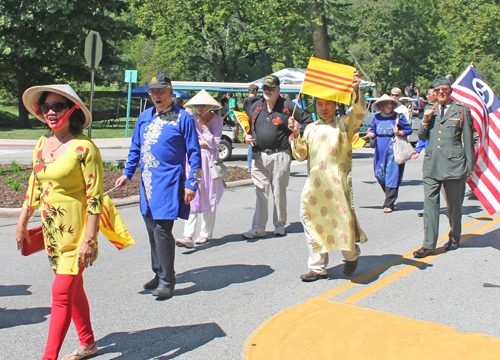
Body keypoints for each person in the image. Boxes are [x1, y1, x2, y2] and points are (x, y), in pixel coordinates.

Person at [15, 84, 102, 360]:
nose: (50, 112)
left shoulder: (84, 148)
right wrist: (22, 220)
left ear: (72, 109)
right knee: (73, 290)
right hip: (53, 234)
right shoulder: (42, 144)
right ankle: (87, 343)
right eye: (45, 107)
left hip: (77, 237)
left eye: (57, 106)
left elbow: (95, 198)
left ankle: (48, 357)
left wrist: (90, 239)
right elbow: (35, 185)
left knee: (62, 293)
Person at [115, 74, 201, 299]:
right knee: (152, 230)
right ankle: (158, 272)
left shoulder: (183, 119)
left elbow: (194, 153)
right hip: (147, 184)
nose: (156, 96)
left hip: (169, 182)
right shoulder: (144, 117)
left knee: (163, 230)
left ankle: (167, 280)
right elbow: (135, 148)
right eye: (153, 92)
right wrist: (127, 173)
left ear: (171, 92)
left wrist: (192, 183)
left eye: (160, 91)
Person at [289, 70, 368, 282]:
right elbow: (300, 155)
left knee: (342, 221)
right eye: (319, 104)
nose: (323, 108)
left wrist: (356, 89)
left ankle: (351, 255)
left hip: (337, 187)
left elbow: (360, 113)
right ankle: (317, 267)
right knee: (312, 221)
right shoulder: (310, 129)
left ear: (335, 106)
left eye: (328, 104)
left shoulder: (344, 125)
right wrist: (296, 134)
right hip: (314, 187)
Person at [243, 75, 313, 238]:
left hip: (280, 155)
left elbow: (309, 121)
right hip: (258, 155)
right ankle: (258, 227)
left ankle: (279, 224)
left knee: (279, 191)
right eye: (265, 88)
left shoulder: (288, 106)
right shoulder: (255, 106)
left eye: (271, 88)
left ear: (278, 90)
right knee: (260, 191)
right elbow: (248, 127)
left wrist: (296, 129)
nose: (267, 91)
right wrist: (245, 137)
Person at [413, 75, 474, 258]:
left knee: (454, 206)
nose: (441, 93)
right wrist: (424, 120)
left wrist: (469, 168)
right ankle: (428, 244)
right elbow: (422, 137)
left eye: (444, 89)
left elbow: (468, 141)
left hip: (454, 164)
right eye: (437, 90)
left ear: (450, 91)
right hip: (432, 164)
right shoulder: (430, 110)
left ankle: (455, 236)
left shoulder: (461, 110)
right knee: (430, 205)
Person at [175, 90, 224, 247]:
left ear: (210, 106)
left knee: (210, 196)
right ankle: (188, 235)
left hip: (209, 162)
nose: (200, 108)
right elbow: (187, 140)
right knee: (191, 193)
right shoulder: (190, 119)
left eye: (203, 105)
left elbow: (215, 142)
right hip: (193, 160)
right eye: (197, 105)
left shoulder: (217, 120)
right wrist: (201, 142)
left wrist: (204, 128)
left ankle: (205, 233)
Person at [366, 94, 412, 212]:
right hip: (380, 149)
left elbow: (408, 130)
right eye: (386, 103)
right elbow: (373, 130)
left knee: (392, 174)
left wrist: (400, 132)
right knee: (379, 174)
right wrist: (371, 134)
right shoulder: (376, 117)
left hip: (393, 149)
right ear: (381, 105)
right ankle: (389, 195)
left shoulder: (398, 117)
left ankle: (389, 203)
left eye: (390, 103)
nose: (389, 105)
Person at [243, 84, 260, 172]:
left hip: (248, 124)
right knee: (255, 145)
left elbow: (244, 112)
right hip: (256, 124)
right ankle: (255, 166)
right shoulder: (257, 100)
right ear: (255, 91)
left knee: (250, 145)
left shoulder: (245, 100)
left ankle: (250, 167)